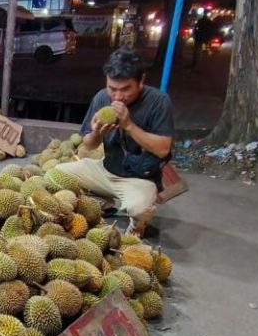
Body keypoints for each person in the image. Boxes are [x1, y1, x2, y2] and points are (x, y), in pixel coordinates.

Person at [56, 48, 174, 236]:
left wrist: (129, 125)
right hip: (105, 171)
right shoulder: (102, 97)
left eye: (126, 89)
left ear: (141, 80)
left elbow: (163, 149)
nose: (118, 96)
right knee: (55, 175)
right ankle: (103, 203)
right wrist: (97, 133)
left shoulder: (158, 102)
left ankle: (137, 227)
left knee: (139, 209)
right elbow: (89, 144)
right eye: (112, 88)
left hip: (139, 178)